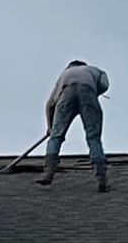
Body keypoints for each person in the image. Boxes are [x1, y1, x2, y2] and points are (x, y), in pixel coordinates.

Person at [38, 60, 110, 192]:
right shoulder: (95, 70)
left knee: (56, 137)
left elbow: (50, 104)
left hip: (66, 93)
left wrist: (50, 127)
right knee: (93, 138)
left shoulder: (65, 74)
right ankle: (102, 178)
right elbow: (105, 84)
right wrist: (93, 94)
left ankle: (48, 173)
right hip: (89, 92)